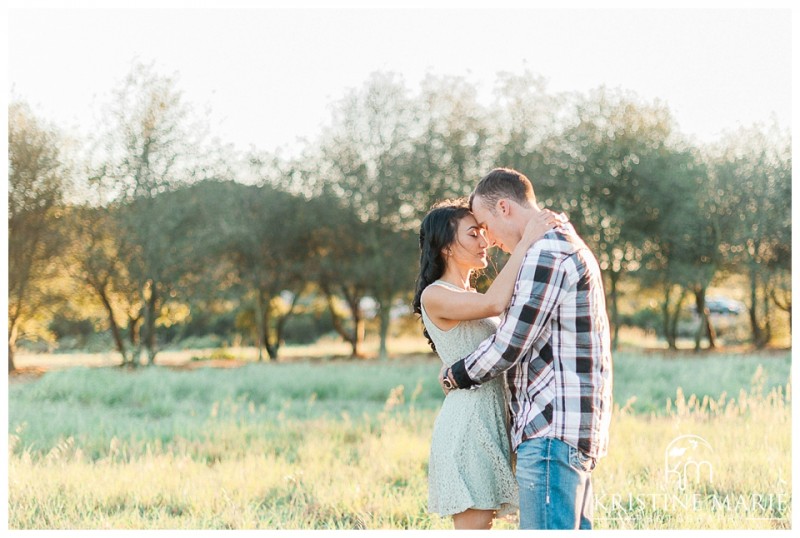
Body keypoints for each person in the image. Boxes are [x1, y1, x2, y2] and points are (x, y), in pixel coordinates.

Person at [439, 168, 613, 530]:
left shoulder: (546, 252)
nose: (488, 240)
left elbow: (510, 343)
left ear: (504, 207)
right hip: (568, 427)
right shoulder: (565, 243)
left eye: (484, 225)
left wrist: (457, 373)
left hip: (551, 428)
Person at [413, 199, 557, 530]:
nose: (485, 241)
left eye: (483, 233)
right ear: (446, 247)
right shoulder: (435, 295)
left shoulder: (469, 293)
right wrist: (525, 242)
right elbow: (496, 302)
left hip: (494, 420)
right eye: (473, 234)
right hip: (468, 427)